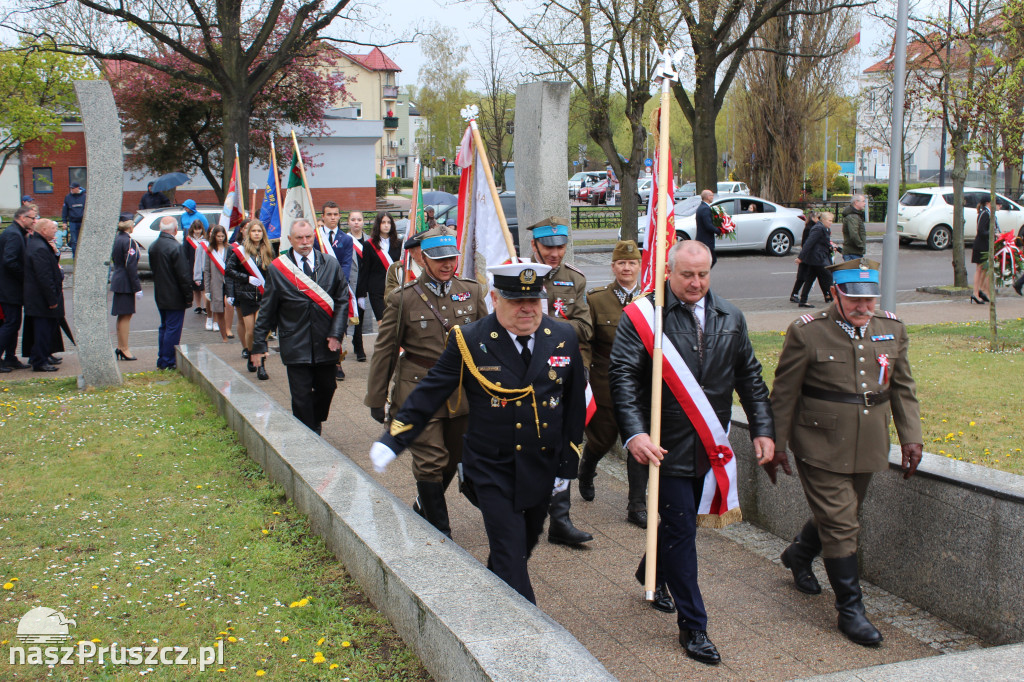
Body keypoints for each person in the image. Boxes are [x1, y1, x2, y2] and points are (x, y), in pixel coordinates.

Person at [370, 262, 585, 603]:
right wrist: (394, 439)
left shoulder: (562, 336)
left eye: (535, 300)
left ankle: (495, 587)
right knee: (510, 551)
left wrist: (568, 465)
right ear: (496, 297)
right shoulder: (470, 339)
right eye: (516, 301)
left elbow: (573, 403)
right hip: (492, 466)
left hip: (540, 464)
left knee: (523, 544)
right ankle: (529, 632)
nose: (527, 309)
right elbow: (431, 390)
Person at [609, 240, 776, 665]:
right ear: (669, 271)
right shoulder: (646, 317)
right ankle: (694, 626)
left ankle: (651, 570)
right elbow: (623, 378)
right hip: (664, 447)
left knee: (679, 524)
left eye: (703, 274)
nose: (696, 283)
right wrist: (634, 434)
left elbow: (750, 378)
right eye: (687, 275)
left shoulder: (731, 317)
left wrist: (763, 429)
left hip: (710, 445)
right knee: (683, 530)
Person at [769, 258, 922, 647]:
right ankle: (850, 610)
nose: (863, 307)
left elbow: (902, 388)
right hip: (818, 443)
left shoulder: (892, 329)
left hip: (869, 441)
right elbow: (785, 392)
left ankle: (799, 555)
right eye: (854, 299)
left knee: (841, 514)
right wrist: (776, 444)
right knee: (841, 522)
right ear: (835, 293)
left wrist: (910, 437)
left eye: (870, 299)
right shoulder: (807, 332)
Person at [365, 226, 486, 536]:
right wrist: (377, 398)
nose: (447, 264)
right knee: (430, 460)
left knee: (452, 459)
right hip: (418, 387)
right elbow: (386, 350)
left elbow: (487, 343)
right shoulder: (403, 298)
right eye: (439, 258)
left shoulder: (472, 292)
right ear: (423, 259)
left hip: (460, 392)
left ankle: (423, 505)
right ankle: (441, 533)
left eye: (452, 258)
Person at [528, 216, 594, 546]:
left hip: (563, 371)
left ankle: (561, 518)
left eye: (560, 247)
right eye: (548, 247)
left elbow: (585, 327)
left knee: (567, 440)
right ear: (534, 246)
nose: (555, 253)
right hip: (526, 376)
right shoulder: (519, 275)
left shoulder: (574, 281)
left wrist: (546, 324)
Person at [250, 220, 349, 435]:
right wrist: (258, 345)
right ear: (290, 240)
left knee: (327, 388)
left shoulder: (330, 264)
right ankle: (309, 433)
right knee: (301, 395)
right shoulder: (278, 269)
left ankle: (314, 419)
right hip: (295, 342)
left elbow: (342, 300)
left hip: (325, 341)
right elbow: (267, 310)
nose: (304, 242)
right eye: (299, 238)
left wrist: (336, 333)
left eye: (308, 237)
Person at [577, 240, 649, 529]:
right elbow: (586, 343)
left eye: (632, 263)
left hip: (641, 386)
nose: (627, 268)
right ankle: (588, 466)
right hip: (606, 382)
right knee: (603, 439)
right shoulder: (597, 300)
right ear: (613, 267)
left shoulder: (651, 300)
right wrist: (584, 373)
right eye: (622, 263)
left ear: (640, 267)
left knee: (638, 444)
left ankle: (637, 506)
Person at [226, 219, 273, 377]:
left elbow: (273, 271)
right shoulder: (240, 251)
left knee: (261, 330)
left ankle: (262, 366)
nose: (256, 234)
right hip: (246, 295)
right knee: (251, 331)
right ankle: (251, 353)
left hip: (263, 296)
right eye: (253, 231)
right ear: (248, 233)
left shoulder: (268, 250)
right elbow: (229, 270)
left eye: (259, 231)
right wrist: (246, 278)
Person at [149, 216, 193, 370]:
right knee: (173, 329)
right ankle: (168, 360)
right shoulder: (175, 247)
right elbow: (184, 275)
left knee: (165, 327)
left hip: (160, 292)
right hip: (175, 294)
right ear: (175, 230)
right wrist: (189, 296)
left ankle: (163, 358)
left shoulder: (154, 246)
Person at [22, 219, 65, 371]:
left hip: (39, 298)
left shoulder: (39, 245)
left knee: (44, 329)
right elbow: (44, 277)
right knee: (43, 330)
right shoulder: (39, 248)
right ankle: (39, 362)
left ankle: (38, 357)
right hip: (41, 299)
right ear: (44, 230)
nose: (56, 231)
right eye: (53, 228)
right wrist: (52, 299)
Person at [0, 206, 37, 372]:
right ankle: (6, 356)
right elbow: (9, 261)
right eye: (32, 218)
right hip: (9, 288)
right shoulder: (14, 234)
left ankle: (10, 357)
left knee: (14, 323)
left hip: (10, 287)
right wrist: (25, 276)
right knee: (11, 322)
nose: (34, 221)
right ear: (23, 218)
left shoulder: (16, 233)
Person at [356, 211, 402, 326]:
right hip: (376, 291)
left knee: (396, 324)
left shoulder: (399, 243)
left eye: (389, 222)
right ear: (378, 224)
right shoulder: (369, 245)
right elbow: (365, 270)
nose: (386, 225)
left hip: (395, 289)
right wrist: (361, 294)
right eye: (383, 222)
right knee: (383, 324)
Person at [110, 214, 143, 361]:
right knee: (125, 315)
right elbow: (130, 265)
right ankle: (124, 348)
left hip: (119, 279)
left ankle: (121, 346)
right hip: (125, 282)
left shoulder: (117, 239)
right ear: (131, 226)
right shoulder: (128, 241)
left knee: (123, 315)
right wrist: (137, 287)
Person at [796, 211, 835, 308]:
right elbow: (809, 242)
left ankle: (803, 300)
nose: (831, 223)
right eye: (830, 220)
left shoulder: (822, 228)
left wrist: (832, 247)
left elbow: (822, 242)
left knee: (810, 279)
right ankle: (834, 298)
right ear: (824, 220)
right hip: (818, 258)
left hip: (815, 258)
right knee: (829, 277)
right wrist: (801, 257)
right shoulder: (818, 228)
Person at [203, 224, 234, 343]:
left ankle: (228, 329)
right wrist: (207, 290)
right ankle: (224, 337)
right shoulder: (210, 250)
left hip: (229, 283)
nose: (220, 238)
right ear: (214, 236)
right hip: (215, 285)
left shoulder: (230, 249)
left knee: (229, 305)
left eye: (222, 236)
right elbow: (207, 271)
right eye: (218, 236)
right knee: (219, 311)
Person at [346, 210, 369, 362]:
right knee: (355, 314)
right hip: (350, 282)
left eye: (359, 219)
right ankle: (359, 346)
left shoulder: (370, 240)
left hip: (365, 281)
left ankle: (357, 341)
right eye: (353, 219)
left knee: (362, 314)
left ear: (363, 222)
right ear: (348, 222)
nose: (356, 222)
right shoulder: (344, 240)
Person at [384, 232, 424, 298]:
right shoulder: (397, 269)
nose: (428, 253)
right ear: (412, 252)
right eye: (423, 249)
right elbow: (390, 299)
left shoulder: (441, 267)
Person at [971, 198, 992, 304]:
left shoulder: (986, 213)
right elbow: (981, 231)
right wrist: (992, 233)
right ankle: (975, 292)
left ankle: (980, 290)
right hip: (981, 245)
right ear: (988, 203)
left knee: (984, 269)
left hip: (984, 244)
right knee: (980, 269)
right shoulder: (985, 214)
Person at [184, 221, 208, 315]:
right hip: (192, 266)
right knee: (195, 288)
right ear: (192, 229)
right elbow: (185, 254)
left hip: (203, 266)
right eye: (196, 229)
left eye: (199, 229)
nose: (198, 231)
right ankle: (198, 306)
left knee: (204, 288)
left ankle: (206, 306)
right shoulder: (188, 240)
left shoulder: (205, 240)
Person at [61, 182, 86, 257]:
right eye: (71, 188)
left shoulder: (85, 197)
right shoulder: (68, 197)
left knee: (83, 239)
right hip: (73, 222)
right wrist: (64, 221)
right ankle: (75, 256)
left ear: (78, 188)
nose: (71, 190)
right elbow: (65, 210)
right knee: (74, 241)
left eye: (73, 188)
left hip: (82, 221)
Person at [694, 189, 718, 267]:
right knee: (712, 260)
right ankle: (702, 275)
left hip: (703, 239)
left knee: (707, 260)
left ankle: (702, 274)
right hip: (705, 240)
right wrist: (718, 230)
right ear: (707, 197)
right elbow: (708, 225)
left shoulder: (702, 207)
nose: (713, 197)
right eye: (711, 195)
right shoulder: (705, 209)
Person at [841, 195, 867, 262]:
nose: (865, 203)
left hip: (854, 252)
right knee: (854, 271)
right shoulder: (852, 216)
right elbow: (854, 234)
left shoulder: (855, 215)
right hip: (852, 252)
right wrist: (861, 245)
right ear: (856, 202)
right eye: (863, 201)